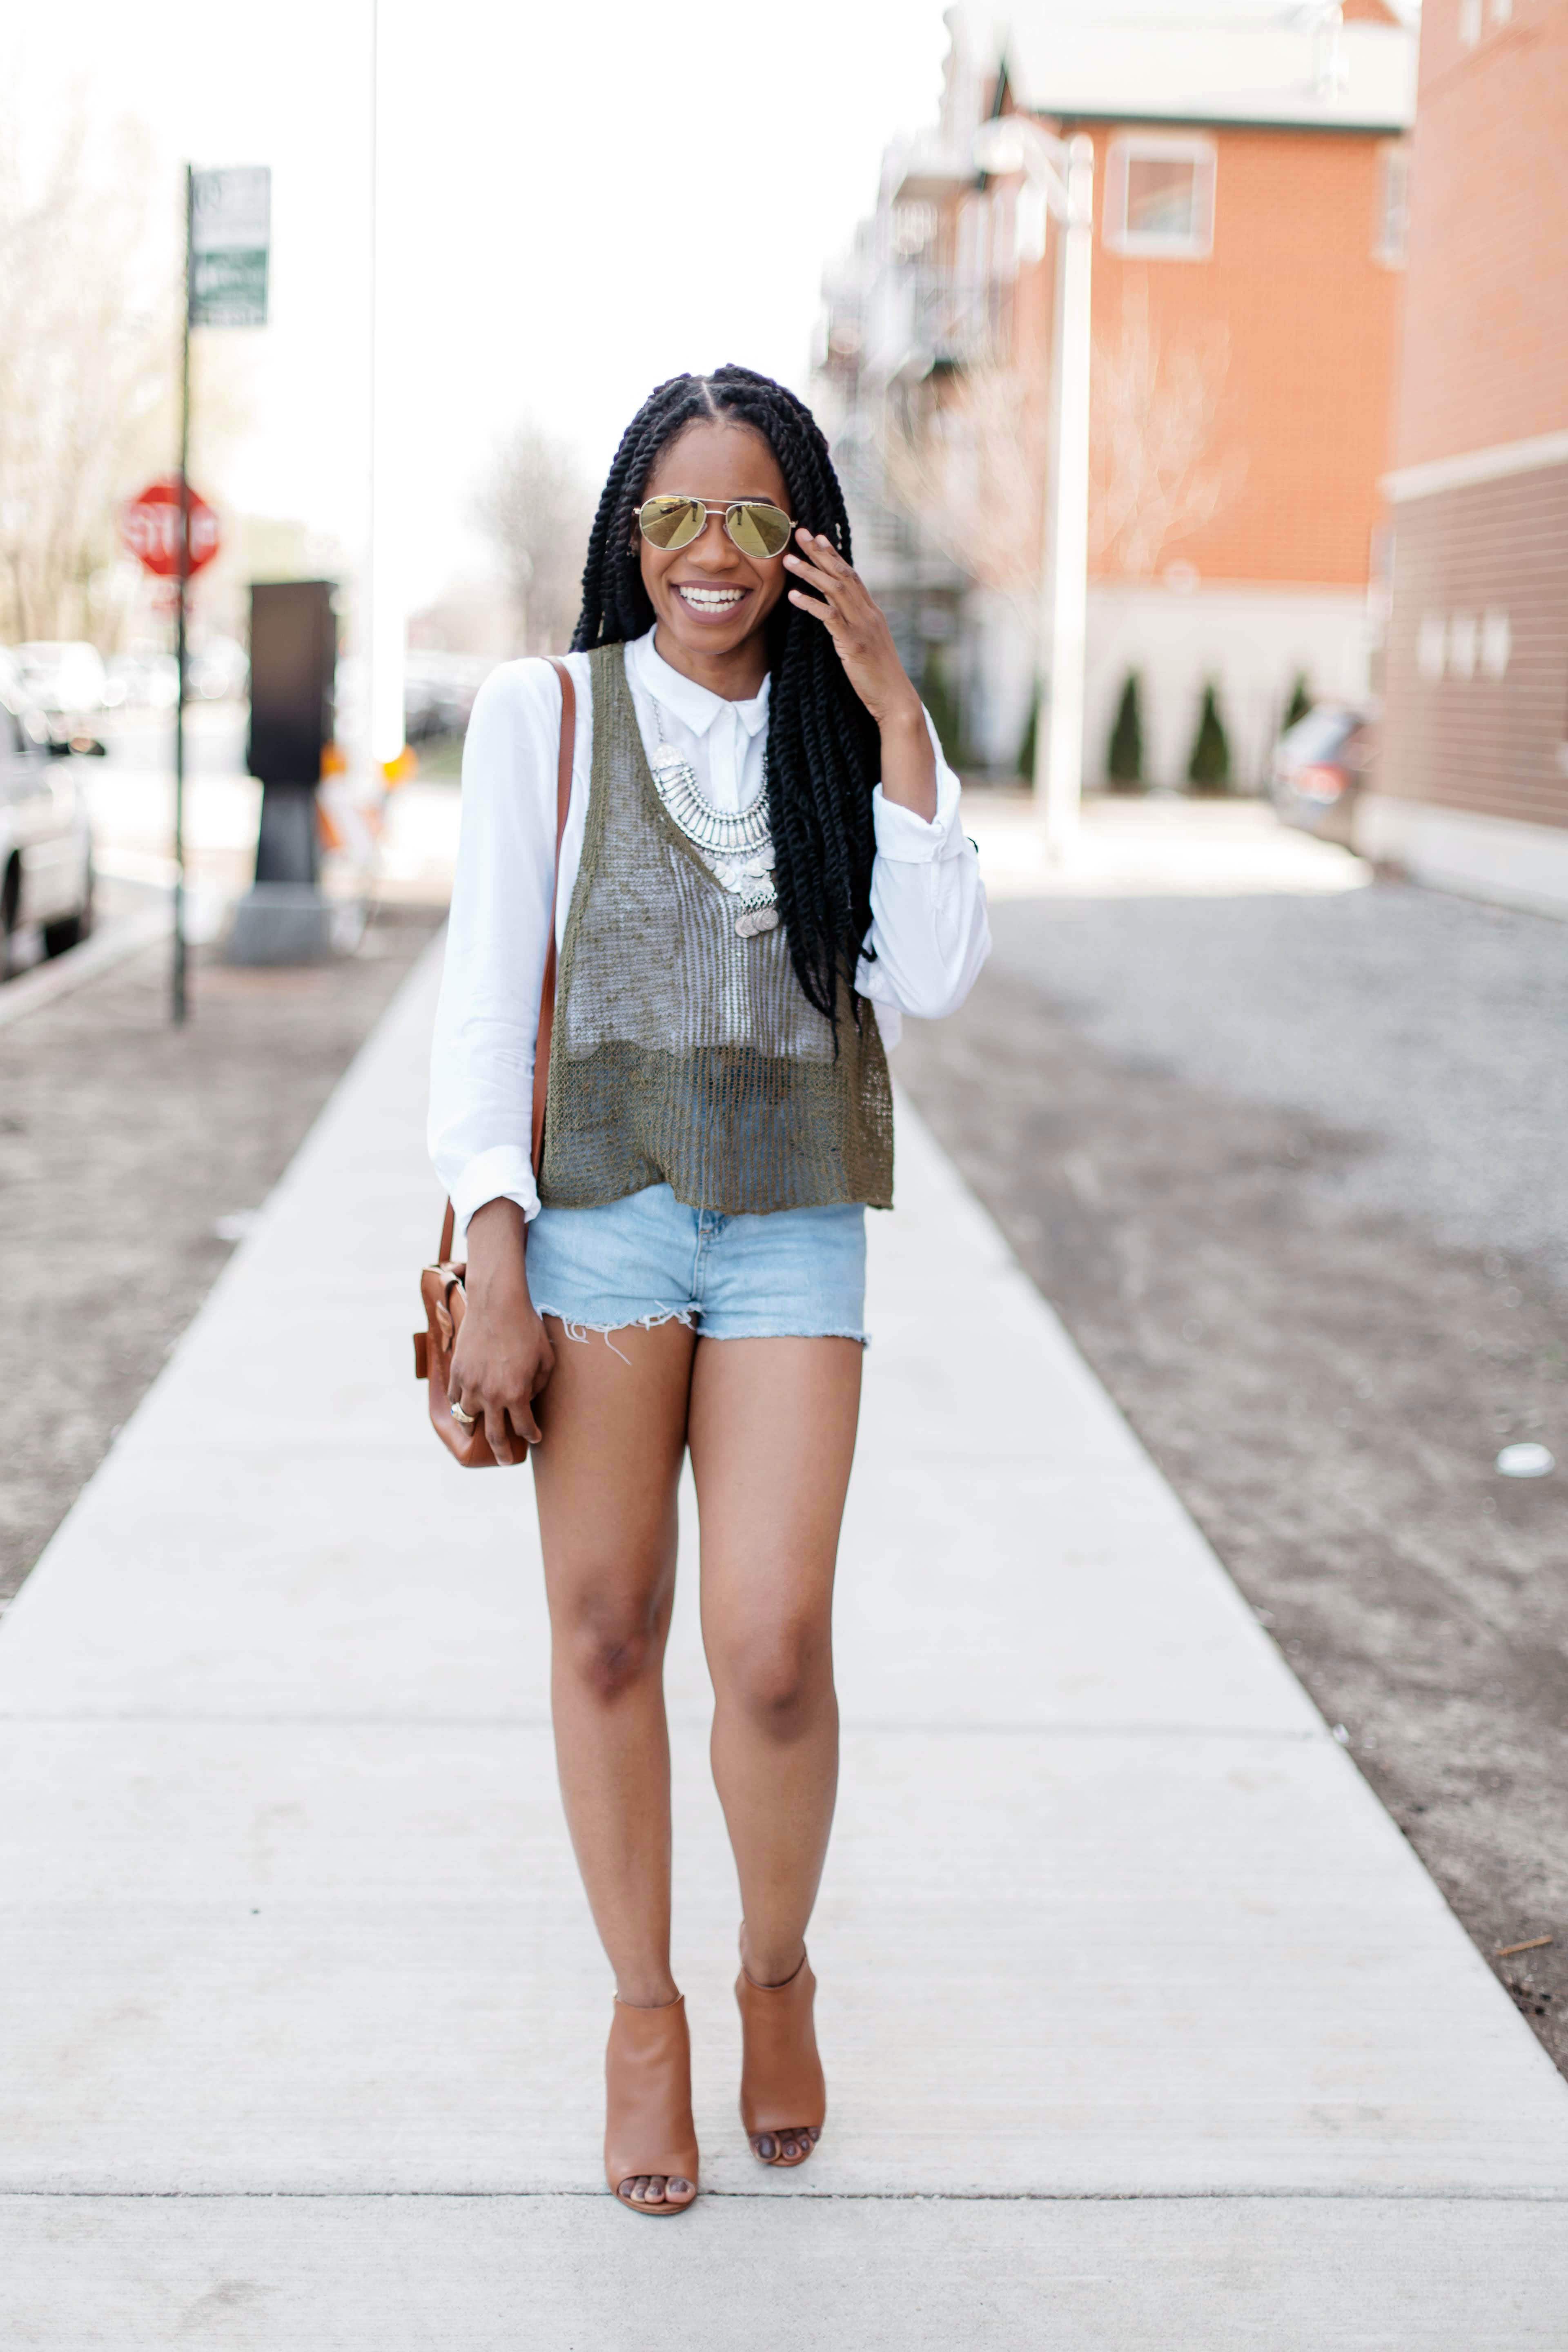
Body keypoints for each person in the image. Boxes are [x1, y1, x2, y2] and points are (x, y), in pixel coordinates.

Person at [429, 365, 989, 2216]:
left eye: (752, 517)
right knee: (606, 1632)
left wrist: (897, 705)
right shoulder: (549, 714)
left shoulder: (846, 735)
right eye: (676, 518)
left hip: (788, 1222)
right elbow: (486, 991)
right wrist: (493, 1239)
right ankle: (645, 2021)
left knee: (767, 1650)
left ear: (803, 537)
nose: (712, 555)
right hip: (595, 1222)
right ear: (629, 535)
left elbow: (944, 968)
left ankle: (774, 1971)